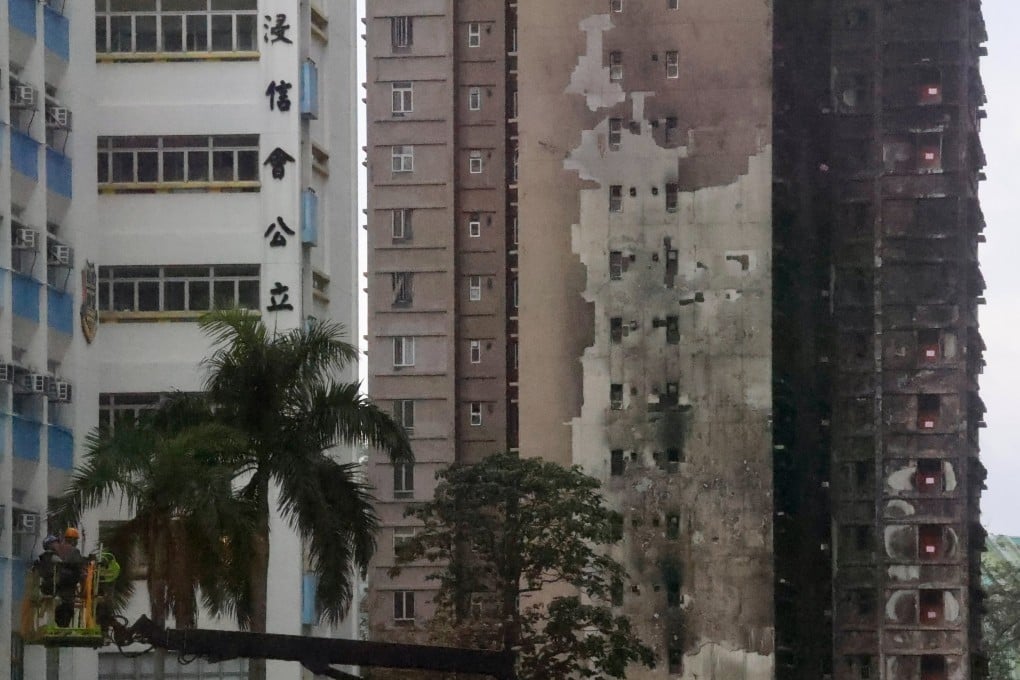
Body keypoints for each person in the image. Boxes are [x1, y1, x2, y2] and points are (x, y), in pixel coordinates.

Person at [53, 528, 85, 627]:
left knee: (60, 604)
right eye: (76, 540)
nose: (76, 542)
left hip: (55, 583)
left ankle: (60, 624)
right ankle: (64, 625)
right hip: (68, 583)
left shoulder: (57, 548)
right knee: (68, 605)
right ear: (73, 540)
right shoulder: (74, 551)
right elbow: (78, 566)